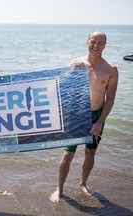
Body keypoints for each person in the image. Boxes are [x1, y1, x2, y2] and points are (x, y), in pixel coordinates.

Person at [50, 31, 119, 202]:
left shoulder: (111, 69)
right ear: (87, 42)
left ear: (105, 45)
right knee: (67, 155)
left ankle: (83, 183)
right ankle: (59, 189)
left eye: (100, 43)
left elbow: (110, 99)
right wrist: (74, 73)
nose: (96, 46)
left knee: (90, 153)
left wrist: (100, 122)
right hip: (76, 114)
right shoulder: (76, 63)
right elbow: (63, 90)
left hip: (97, 115)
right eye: (93, 42)